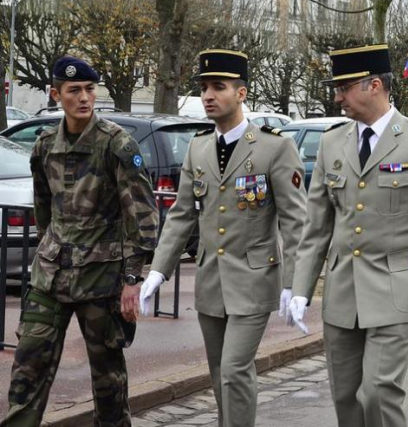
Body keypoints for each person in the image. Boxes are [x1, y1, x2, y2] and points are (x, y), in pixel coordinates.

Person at [288, 44, 408, 427]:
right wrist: (301, 287)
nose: (337, 97)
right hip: (341, 291)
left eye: (344, 87)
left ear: (374, 86)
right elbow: (317, 223)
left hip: (395, 288)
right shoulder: (333, 142)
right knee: (346, 395)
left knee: (378, 392)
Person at [139, 49, 307, 427]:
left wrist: (294, 282)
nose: (209, 95)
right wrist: (158, 271)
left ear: (242, 93)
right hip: (211, 280)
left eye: (219, 87)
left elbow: (296, 222)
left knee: (234, 369)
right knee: (219, 374)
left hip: (254, 280)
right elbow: (183, 214)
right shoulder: (198, 146)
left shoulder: (274, 146)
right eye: (203, 88)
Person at [2, 56, 159, 426]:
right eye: (74, 91)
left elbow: (144, 217)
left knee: (109, 387)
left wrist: (132, 280)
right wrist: (47, 252)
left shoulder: (116, 145)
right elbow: (44, 210)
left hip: (102, 282)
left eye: (89, 89)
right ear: (56, 95)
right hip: (50, 278)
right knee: (27, 373)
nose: (84, 98)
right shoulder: (43, 147)